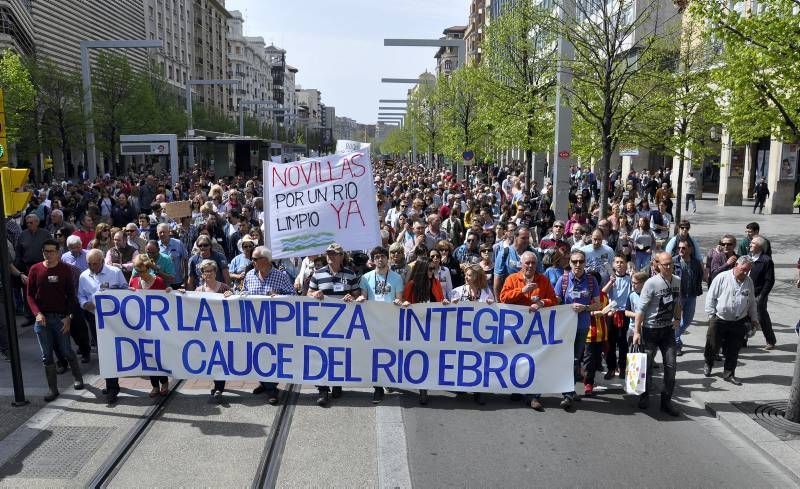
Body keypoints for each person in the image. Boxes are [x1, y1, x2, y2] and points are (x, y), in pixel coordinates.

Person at [498, 252, 557, 410]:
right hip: (516, 329)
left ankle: (534, 396)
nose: (530, 266)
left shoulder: (543, 280)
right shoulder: (512, 279)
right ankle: (517, 388)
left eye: (533, 263)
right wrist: (522, 290)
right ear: (521, 264)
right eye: (527, 263)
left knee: (534, 361)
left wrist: (542, 303)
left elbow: (554, 300)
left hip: (536, 329)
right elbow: (503, 298)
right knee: (517, 359)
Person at [26, 239, 84, 402]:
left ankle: (78, 377)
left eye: (52, 251)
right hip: (42, 319)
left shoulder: (65, 269)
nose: (48, 254)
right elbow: (30, 295)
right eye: (46, 251)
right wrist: (37, 313)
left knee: (66, 350)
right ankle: (53, 389)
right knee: (47, 356)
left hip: (60, 318)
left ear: (58, 252)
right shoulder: (35, 269)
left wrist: (68, 317)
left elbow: (72, 296)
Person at [307, 243, 360, 407]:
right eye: (328, 253)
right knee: (322, 354)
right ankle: (322, 389)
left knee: (339, 354)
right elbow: (308, 293)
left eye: (334, 254)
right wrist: (314, 294)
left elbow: (358, 295)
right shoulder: (318, 274)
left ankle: (337, 383)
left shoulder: (351, 275)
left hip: (343, 322)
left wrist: (351, 297)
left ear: (341, 256)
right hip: (322, 322)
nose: (330, 256)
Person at [632, 251, 681, 416]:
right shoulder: (651, 283)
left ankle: (666, 401)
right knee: (647, 366)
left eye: (670, 264)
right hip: (651, 329)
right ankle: (644, 395)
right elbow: (640, 310)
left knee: (671, 366)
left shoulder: (677, 281)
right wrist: (637, 332)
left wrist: (677, 318)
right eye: (665, 264)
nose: (668, 267)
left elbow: (677, 302)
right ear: (657, 265)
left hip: (667, 330)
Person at [245, 246, 295, 404]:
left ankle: (271, 389)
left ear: (265, 260)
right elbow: (244, 294)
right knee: (257, 355)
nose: (251, 261)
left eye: (254, 259)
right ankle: (264, 383)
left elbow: (293, 296)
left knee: (271, 355)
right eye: (251, 259)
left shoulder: (280, 276)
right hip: (254, 324)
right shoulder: (249, 275)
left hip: (274, 325)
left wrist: (279, 296)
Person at [78, 249, 127, 405]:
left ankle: (112, 387)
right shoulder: (84, 276)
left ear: (102, 261)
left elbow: (125, 290)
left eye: (95, 263)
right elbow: (80, 295)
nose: (92, 267)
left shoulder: (115, 272)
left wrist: (113, 294)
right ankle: (111, 383)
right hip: (94, 318)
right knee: (103, 351)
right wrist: (85, 304)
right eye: (89, 264)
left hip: (114, 318)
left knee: (112, 351)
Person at [554, 250, 601, 410]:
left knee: (576, 359)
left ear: (585, 262)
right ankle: (568, 393)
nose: (578, 265)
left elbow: (598, 304)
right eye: (574, 262)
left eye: (581, 261)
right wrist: (567, 307)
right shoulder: (564, 279)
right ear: (570, 263)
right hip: (565, 327)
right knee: (569, 359)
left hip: (582, 327)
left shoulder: (591, 281)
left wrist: (585, 307)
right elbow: (555, 301)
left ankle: (570, 390)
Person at [357, 246, 404, 403]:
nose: (380, 259)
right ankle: (377, 388)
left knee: (389, 354)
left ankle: (388, 379)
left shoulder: (396, 278)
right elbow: (364, 296)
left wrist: (399, 302)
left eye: (382, 256)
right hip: (373, 322)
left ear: (387, 258)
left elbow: (399, 298)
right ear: (373, 260)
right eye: (376, 256)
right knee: (375, 355)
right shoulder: (366, 278)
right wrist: (361, 299)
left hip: (390, 322)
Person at [703, 256, 759, 385]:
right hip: (719, 318)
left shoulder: (749, 281)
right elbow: (711, 297)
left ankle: (729, 373)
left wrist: (754, 319)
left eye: (748, 270)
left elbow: (752, 303)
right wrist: (711, 316)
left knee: (734, 349)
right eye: (743, 270)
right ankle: (708, 363)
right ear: (736, 266)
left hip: (739, 320)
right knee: (712, 345)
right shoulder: (722, 278)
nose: (745, 273)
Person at [402, 257, 448, 405]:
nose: (432, 271)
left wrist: (444, 303)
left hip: (433, 326)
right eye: (429, 269)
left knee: (429, 357)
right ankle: (422, 389)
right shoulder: (412, 285)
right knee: (419, 358)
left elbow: (440, 300)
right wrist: (406, 304)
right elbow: (404, 303)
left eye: (433, 269)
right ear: (422, 270)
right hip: (416, 328)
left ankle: (425, 387)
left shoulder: (435, 283)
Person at [189, 259, 234, 401]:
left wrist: (231, 295)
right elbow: (189, 306)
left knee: (220, 359)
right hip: (206, 333)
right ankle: (216, 385)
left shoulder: (224, 288)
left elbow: (236, 306)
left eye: (211, 271)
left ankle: (219, 388)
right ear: (201, 274)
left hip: (222, 332)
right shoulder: (198, 291)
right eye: (205, 271)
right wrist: (181, 294)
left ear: (216, 272)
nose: (208, 273)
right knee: (211, 360)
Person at [129, 254, 171, 397]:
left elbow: (167, 302)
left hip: (158, 326)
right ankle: (154, 386)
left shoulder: (158, 282)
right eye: (137, 271)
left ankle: (164, 383)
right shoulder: (134, 282)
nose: (140, 274)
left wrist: (170, 293)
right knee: (147, 357)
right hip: (141, 327)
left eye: (142, 271)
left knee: (159, 356)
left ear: (148, 268)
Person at [603, 254, 632, 380]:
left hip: (624, 313)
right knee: (610, 342)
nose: (619, 264)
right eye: (617, 262)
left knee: (623, 342)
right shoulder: (610, 278)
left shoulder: (630, 279)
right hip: (611, 313)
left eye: (622, 262)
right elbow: (603, 293)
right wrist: (611, 282)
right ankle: (611, 367)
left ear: (626, 264)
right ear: (613, 265)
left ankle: (622, 366)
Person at [673, 239, 703, 356]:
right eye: (679, 248)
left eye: (684, 248)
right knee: (677, 321)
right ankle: (676, 344)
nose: (681, 250)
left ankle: (673, 336)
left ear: (690, 250)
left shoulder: (695, 262)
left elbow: (699, 276)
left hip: (691, 295)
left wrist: (697, 289)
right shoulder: (674, 261)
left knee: (687, 320)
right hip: (678, 296)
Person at [749, 236, 776, 350]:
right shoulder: (748, 257)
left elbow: (769, 280)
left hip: (759, 294)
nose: (750, 244)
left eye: (753, 243)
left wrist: (762, 296)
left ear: (760, 247)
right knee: (742, 316)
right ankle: (742, 340)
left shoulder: (766, 260)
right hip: (746, 292)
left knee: (762, 317)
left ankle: (770, 340)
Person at [493, 226, 533, 299]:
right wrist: (498, 301)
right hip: (510, 297)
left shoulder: (533, 253)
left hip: (529, 299)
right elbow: (497, 279)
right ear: (515, 237)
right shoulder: (504, 253)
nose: (526, 241)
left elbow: (540, 275)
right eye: (523, 238)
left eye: (528, 238)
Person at [157, 222, 188, 288]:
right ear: (157, 234)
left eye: (164, 232)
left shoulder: (178, 243)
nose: (162, 234)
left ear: (169, 232)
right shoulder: (156, 246)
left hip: (177, 281)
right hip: (162, 282)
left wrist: (186, 277)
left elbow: (185, 260)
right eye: (160, 232)